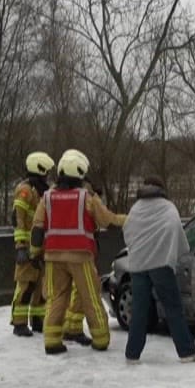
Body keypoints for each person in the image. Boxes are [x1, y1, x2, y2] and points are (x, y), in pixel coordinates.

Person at [31, 150, 124, 354]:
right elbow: (106, 220)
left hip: (53, 257)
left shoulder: (46, 198)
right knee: (90, 296)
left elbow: (37, 230)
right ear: (80, 173)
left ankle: (52, 341)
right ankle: (100, 339)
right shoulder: (86, 197)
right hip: (81, 257)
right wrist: (128, 220)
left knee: (56, 299)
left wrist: (34, 253)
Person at [120, 177, 195, 364]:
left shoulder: (136, 208)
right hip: (161, 264)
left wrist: (138, 249)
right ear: (160, 188)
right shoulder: (167, 207)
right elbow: (175, 228)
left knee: (139, 310)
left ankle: (132, 355)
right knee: (173, 308)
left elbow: (127, 231)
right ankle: (187, 352)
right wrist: (176, 250)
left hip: (138, 266)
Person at [9, 151, 55, 337]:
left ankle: (38, 321)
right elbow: (18, 219)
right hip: (28, 247)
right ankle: (19, 323)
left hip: (41, 247)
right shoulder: (25, 190)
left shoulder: (43, 191)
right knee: (25, 286)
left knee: (41, 288)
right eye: (46, 171)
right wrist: (20, 246)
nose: (48, 175)